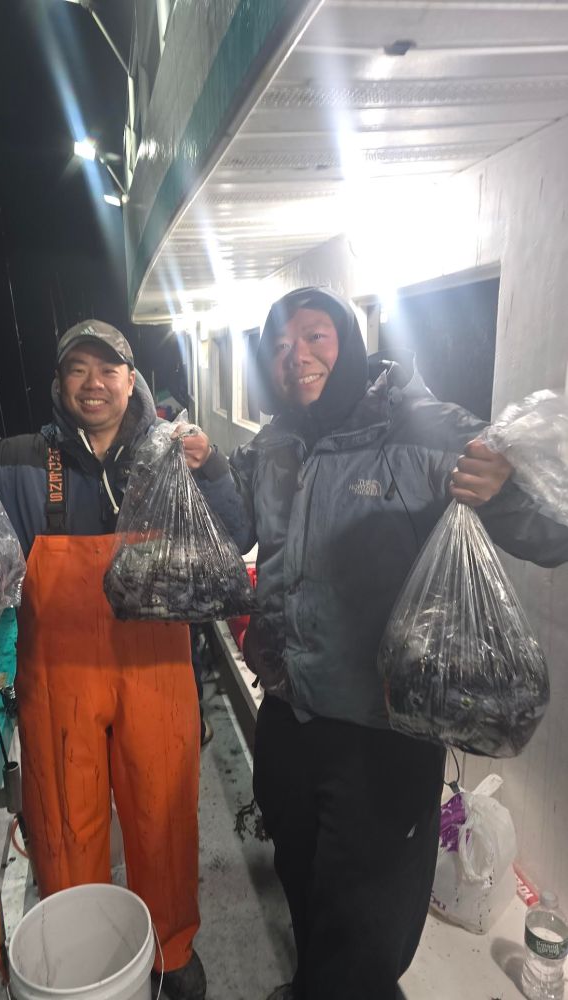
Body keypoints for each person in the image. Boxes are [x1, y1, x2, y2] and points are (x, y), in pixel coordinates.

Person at [189, 287, 568, 1000]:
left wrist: (508, 486)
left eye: (315, 336)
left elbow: (553, 535)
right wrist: (210, 468)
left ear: (350, 341)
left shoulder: (424, 430)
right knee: (305, 888)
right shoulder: (277, 442)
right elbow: (236, 529)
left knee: (366, 933)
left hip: (382, 739)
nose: (294, 355)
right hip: (289, 719)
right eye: (278, 345)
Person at [0, 319, 215, 1000]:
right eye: (76, 370)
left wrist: (217, 467)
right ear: (59, 385)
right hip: (61, 679)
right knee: (65, 822)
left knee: (164, 814)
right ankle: (82, 953)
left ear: (131, 380)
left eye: (108, 369)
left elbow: (238, 527)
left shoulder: (171, 452)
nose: (93, 383)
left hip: (157, 674)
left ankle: (171, 949)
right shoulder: (21, 460)